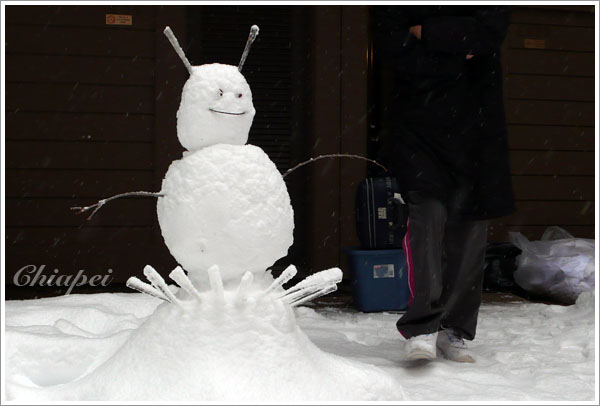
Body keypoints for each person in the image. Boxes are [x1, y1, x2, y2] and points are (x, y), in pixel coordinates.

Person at [372, 6, 515, 362]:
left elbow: (488, 34)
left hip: (477, 129)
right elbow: (392, 43)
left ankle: (454, 330)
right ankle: (422, 328)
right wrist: (456, 56)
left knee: (469, 232)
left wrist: (428, 33)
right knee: (426, 222)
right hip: (418, 128)